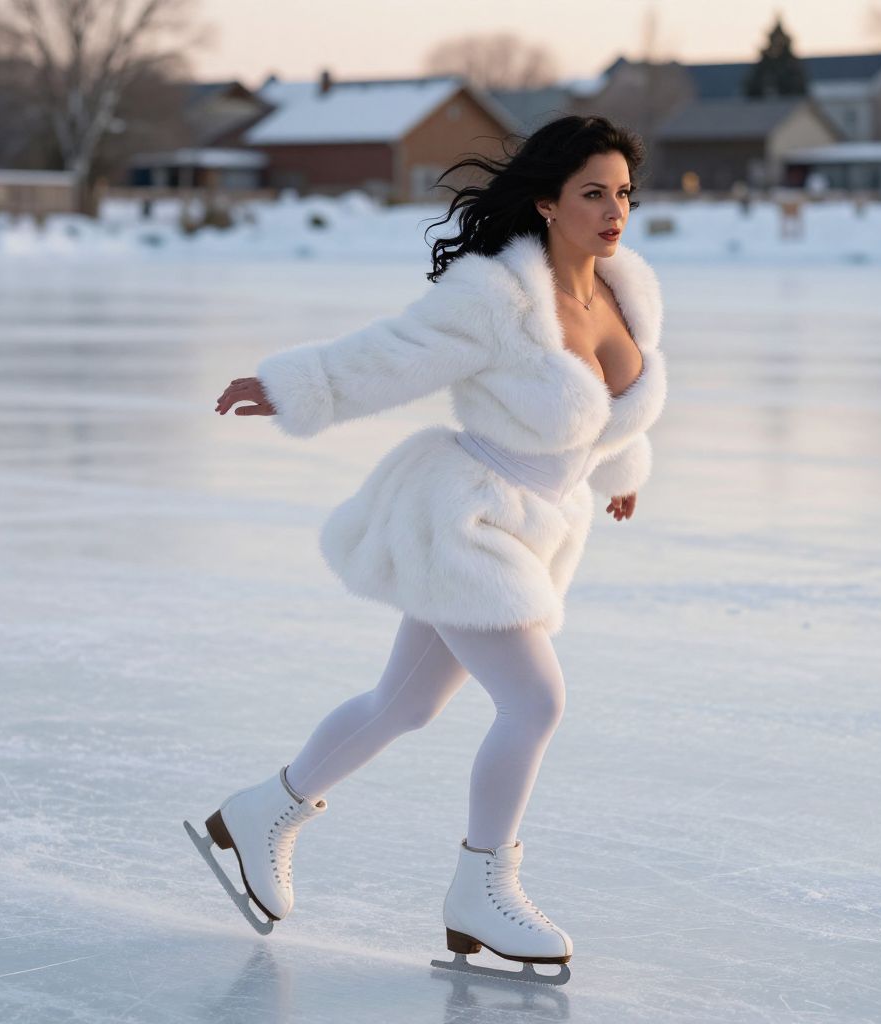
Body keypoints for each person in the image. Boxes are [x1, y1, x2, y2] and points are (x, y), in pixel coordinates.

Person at [195, 115, 668, 978]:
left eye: (623, 194)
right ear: (546, 201)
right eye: (593, 193)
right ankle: (482, 891)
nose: (614, 212)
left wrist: (621, 467)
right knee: (536, 703)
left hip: (536, 526)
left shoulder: (626, 292)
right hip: (461, 519)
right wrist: (292, 385)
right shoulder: (499, 298)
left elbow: (605, 414)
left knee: (403, 704)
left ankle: (264, 810)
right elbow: (396, 353)